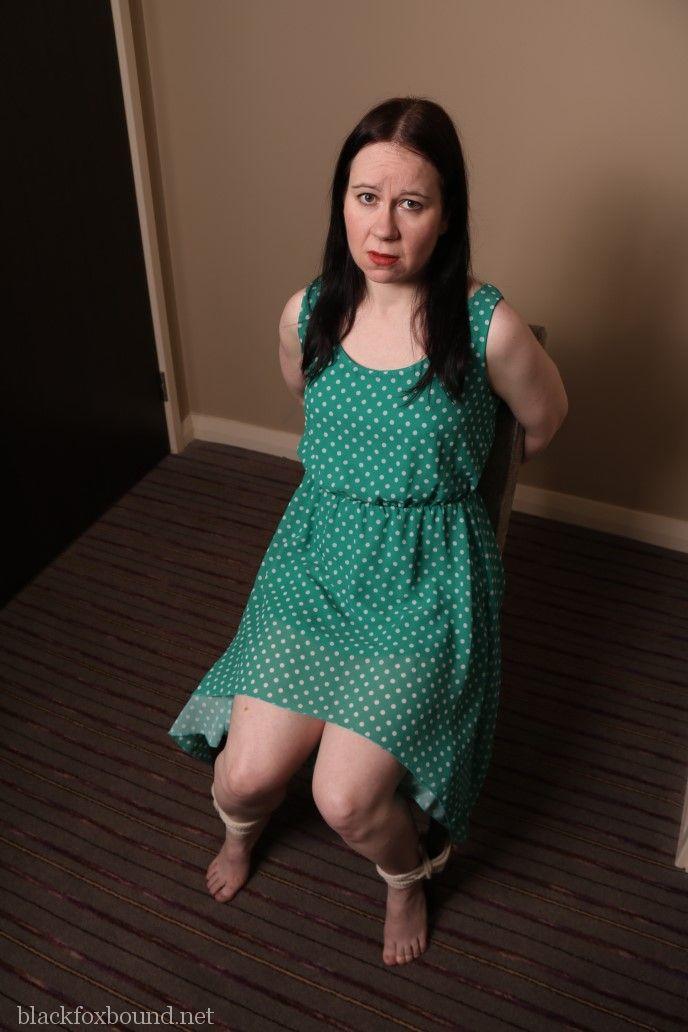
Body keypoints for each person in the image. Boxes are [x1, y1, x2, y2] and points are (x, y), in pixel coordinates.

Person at [168, 95, 568, 966]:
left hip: (427, 579)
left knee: (346, 800)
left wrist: (444, 487)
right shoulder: (307, 312)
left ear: (447, 214)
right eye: (365, 197)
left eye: (411, 203)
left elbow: (541, 423)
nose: (383, 227)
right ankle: (242, 833)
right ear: (341, 202)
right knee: (244, 776)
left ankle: (408, 875)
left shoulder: (488, 326)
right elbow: (308, 400)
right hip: (319, 559)